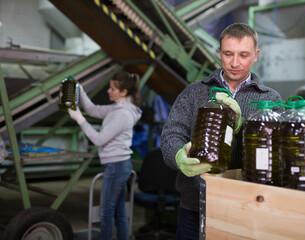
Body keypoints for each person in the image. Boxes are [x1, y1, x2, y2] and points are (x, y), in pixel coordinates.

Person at [160, 22, 284, 240]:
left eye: (243, 55)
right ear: (219, 53)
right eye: (228, 54)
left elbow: (277, 149)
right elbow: (172, 134)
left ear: (256, 55)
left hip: (247, 205)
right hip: (194, 206)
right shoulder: (194, 92)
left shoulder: (270, 99)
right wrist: (178, 156)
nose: (235, 63)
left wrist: (242, 126)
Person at [68, 72, 142, 240]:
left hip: (116, 166)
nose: (108, 91)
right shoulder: (119, 107)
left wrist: (80, 119)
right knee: (118, 212)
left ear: (124, 93)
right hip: (120, 164)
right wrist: (79, 88)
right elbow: (93, 110)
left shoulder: (122, 114)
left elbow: (99, 139)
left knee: (106, 212)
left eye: (113, 89)